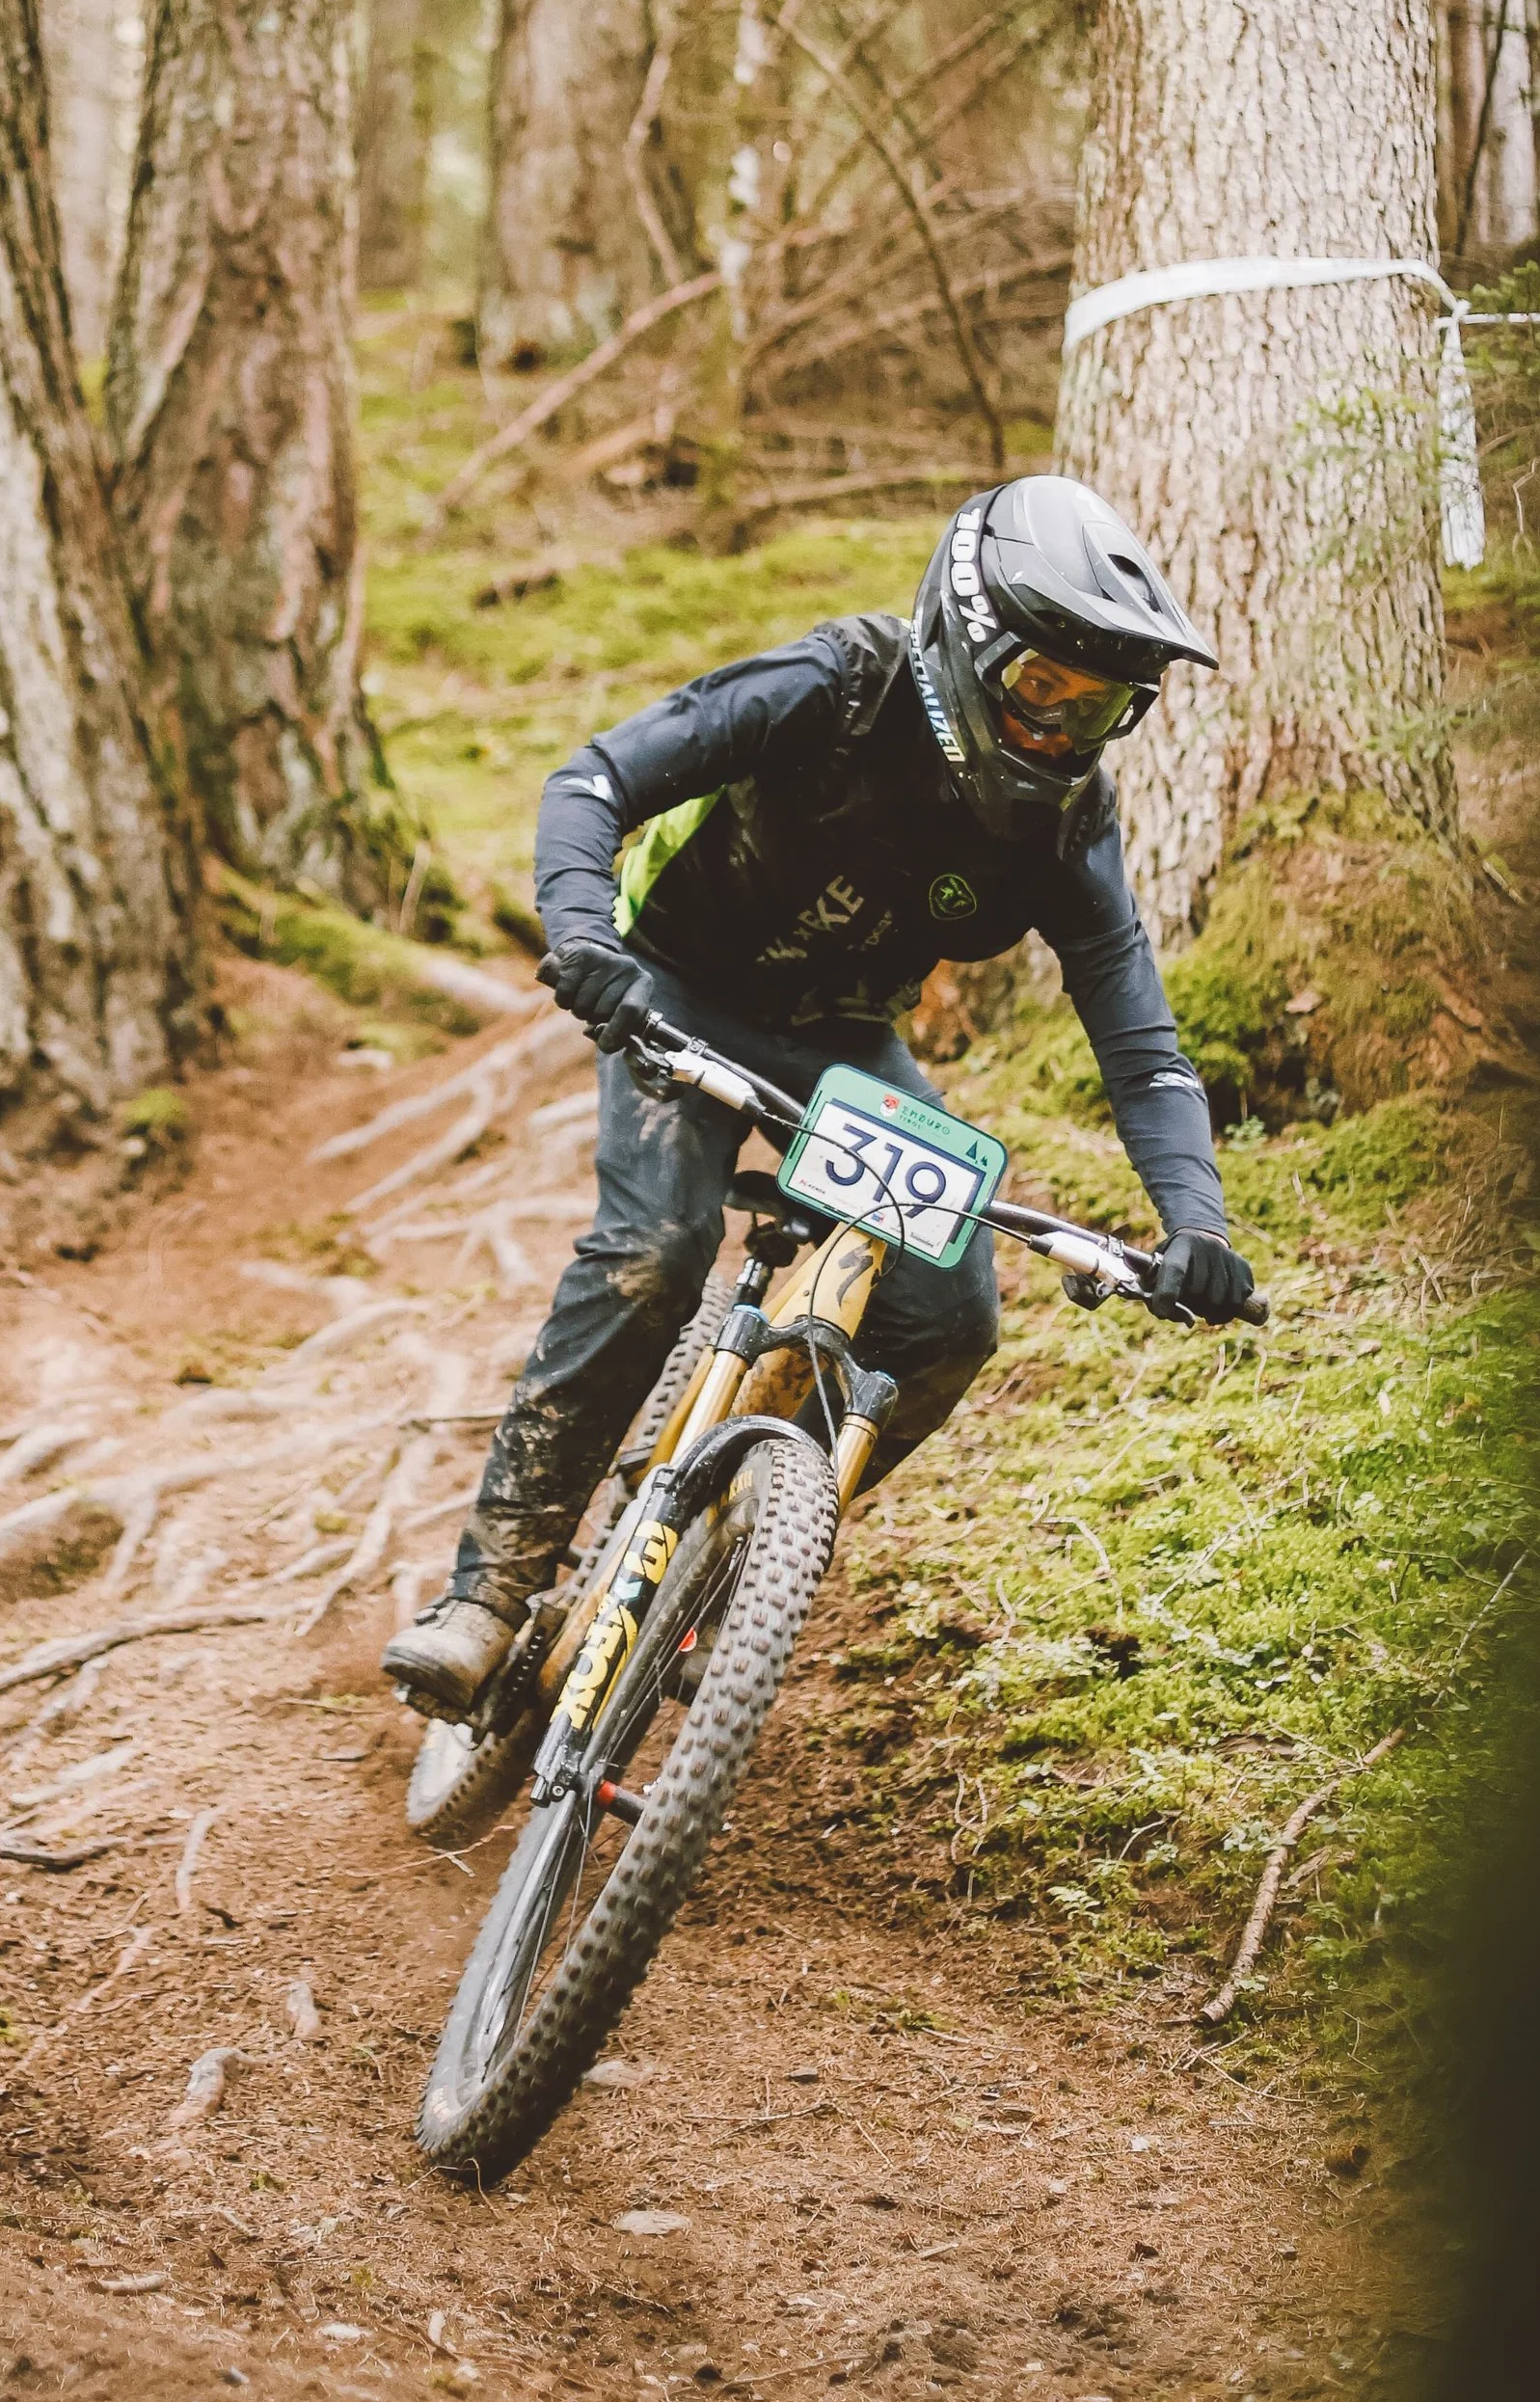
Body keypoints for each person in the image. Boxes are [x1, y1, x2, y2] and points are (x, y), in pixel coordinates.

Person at [383, 474, 1256, 1721]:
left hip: (840, 1044)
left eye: (1100, 708)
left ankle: (723, 1556)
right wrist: (587, 936)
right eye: (1043, 692)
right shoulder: (837, 688)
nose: (1062, 734)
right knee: (656, 1247)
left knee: (952, 1317)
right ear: (971, 644)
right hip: (675, 984)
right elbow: (591, 781)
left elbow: (1137, 1025)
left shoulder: (1067, 824)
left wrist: (1197, 1222)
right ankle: (488, 1593)